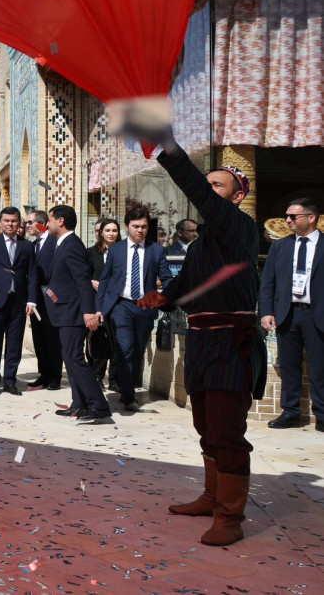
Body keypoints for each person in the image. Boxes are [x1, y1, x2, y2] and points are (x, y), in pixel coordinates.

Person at [138, 134, 263, 547]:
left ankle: (230, 517)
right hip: (202, 343)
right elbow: (185, 286)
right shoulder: (203, 243)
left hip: (231, 343)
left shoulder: (238, 226)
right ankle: (212, 497)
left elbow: (195, 189)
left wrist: (167, 147)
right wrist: (162, 297)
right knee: (205, 427)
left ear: (237, 196)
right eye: (206, 183)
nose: (207, 190)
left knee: (227, 432)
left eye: (217, 185)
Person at [97, 205, 172, 411]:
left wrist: (171, 295)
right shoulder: (116, 249)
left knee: (137, 350)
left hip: (145, 307)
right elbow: (105, 279)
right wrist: (100, 307)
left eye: (144, 227)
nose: (140, 230)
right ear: (127, 226)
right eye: (136, 226)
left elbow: (166, 278)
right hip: (121, 305)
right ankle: (129, 396)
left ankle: (127, 386)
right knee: (125, 349)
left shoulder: (157, 250)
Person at [260, 199, 322, 431]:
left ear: (311, 217)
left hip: (317, 314)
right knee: (288, 366)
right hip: (288, 314)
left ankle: (322, 414)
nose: (287, 220)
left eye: (293, 216)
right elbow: (268, 282)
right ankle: (290, 412)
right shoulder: (280, 247)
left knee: (320, 367)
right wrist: (267, 312)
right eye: (287, 216)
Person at [44, 205, 111, 421]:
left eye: (50, 219)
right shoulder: (62, 243)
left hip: (73, 313)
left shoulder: (72, 245)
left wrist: (89, 311)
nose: (47, 224)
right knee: (70, 357)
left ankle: (99, 406)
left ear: (60, 221)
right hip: (65, 312)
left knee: (74, 358)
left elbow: (82, 280)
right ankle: (79, 404)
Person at [0, 206, 39, 396]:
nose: (10, 224)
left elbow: (32, 274)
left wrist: (32, 300)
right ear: (0, 222)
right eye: (6, 221)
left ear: (19, 223)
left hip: (18, 302)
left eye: (13, 221)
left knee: (14, 344)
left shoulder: (27, 246)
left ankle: (10, 381)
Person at [26, 209, 64, 391]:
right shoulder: (33, 245)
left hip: (51, 298)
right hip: (36, 300)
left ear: (41, 223)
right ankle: (43, 375)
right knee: (39, 338)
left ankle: (55, 377)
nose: (27, 226)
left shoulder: (54, 241)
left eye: (30, 222)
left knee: (52, 339)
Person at [88, 217, 121, 390]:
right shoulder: (92, 252)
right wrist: (91, 281)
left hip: (117, 302)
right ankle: (97, 376)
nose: (111, 234)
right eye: (107, 230)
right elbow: (82, 274)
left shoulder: (123, 251)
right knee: (100, 338)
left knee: (116, 340)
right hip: (97, 301)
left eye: (114, 230)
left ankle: (114, 378)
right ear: (101, 233)